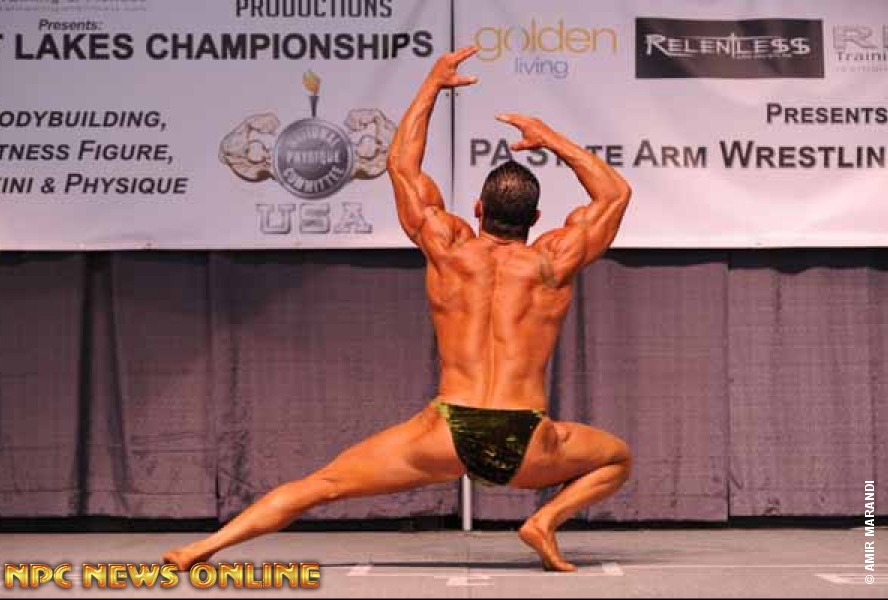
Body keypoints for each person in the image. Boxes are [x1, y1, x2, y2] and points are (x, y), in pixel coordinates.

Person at [163, 46, 632, 573]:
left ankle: (199, 549)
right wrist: (550, 138)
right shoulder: (553, 261)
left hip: (445, 433)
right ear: (538, 217)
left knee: (322, 484)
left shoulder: (448, 247)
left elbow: (401, 165)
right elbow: (615, 194)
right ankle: (543, 521)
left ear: (477, 209)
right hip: (526, 441)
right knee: (616, 457)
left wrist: (432, 83)